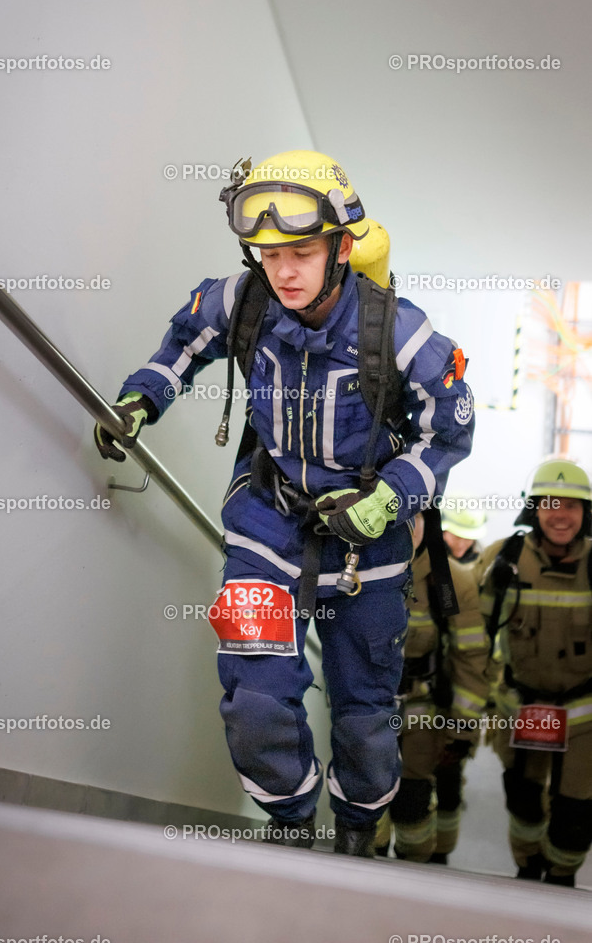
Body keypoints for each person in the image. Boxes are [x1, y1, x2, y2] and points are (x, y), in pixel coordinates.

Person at [94, 149, 475, 857]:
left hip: (371, 546)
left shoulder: (402, 331)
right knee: (256, 691)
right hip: (267, 522)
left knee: (363, 713)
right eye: (268, 255)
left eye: (300, 251)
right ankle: (289, 826)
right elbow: (184, 341)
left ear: (341, 246)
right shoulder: (241, 300)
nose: (284, 271)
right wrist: (140, 397)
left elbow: (448, 431)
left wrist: (392, 496)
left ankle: (358, 830)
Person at [477, 458, 592, 886]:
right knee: (523, 802)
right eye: (550, 503)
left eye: (572, 506)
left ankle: (562, 877)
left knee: (576, 812)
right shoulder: (503, 561)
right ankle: (527, 867)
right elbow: (475, 637)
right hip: (520, 709)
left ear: (586, 513)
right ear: (534, 508)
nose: (560, 514)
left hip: (584, 716)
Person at [375, 512, 491, 863]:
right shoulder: (359, 567)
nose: (408, 528)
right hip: (370, 705)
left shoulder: (450, 580)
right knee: (365, 789)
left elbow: (471, 659)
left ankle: (418, 870)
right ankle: (364, 861)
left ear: (430, 522)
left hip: (422, 707)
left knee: (412, 796)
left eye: (417, 518)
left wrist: (462, 728)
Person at [441, 500, 487, 566]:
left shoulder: (483, 560)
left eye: (468, 539)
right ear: (443, 532)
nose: (461, 544)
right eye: (457, 537)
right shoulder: (426, 554)